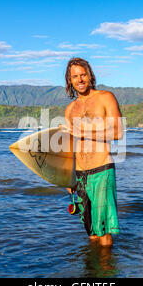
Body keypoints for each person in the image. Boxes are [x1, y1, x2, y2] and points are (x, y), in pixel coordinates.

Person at [61, 57, 124, 247]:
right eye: (75, 76)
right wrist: (68, 178)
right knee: (91, 233)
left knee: (103, 233)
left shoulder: (106, 97)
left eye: (83, 75)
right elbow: (69, 147)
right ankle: (92, 271)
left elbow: (118, 132)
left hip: (101, 169)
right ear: (69, 81)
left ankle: (107, 271)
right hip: (80, 175)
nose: (80, 80)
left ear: (90, 76)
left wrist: (82, 131)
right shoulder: (70, 109)